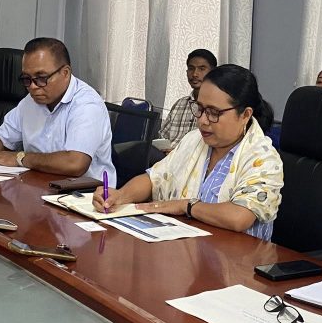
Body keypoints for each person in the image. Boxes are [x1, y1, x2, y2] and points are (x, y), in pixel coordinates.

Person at [96, 64, 282, 240]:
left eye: (214, 112)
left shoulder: (263, 158)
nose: (202, 120)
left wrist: (186, 206)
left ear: (245, 115)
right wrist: (120, 196)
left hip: (237, 257)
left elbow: (239, 217)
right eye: (200, 108)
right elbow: (154, 178)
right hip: (186, 245)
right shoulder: (194, 140)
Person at [0, 37, 115, 183]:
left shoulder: (87, 105)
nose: (32, 87)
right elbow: (2, 138)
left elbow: (75, 164)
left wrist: (20, 158)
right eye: (26, 79)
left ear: (65, 73)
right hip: (37, 184)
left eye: (41, 78)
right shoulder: (30, 101)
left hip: (84, 195)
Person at [159, 49, 217, 148]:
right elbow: (163, 137)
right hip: (168, 156)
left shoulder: (217, 106)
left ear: (213, 72)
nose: (195, 74)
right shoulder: (180, 104)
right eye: (191, 68)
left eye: (202, 69)